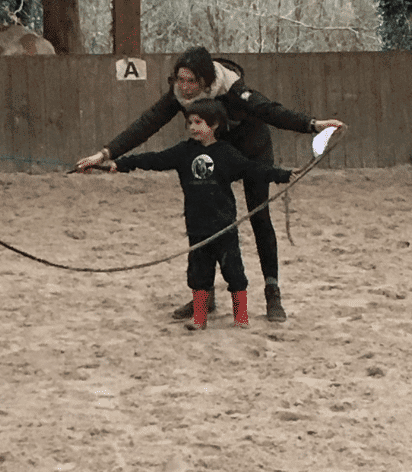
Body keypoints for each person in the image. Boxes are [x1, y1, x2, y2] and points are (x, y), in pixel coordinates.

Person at [76, 46, 345, 322]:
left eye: (191, 81)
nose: (184, 87)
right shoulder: (180, 94)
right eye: (180, 80)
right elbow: (147, 123)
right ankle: (206, 295)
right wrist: (106, 153)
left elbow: (269, 110)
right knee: (206, 217)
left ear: (205, 80)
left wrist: (312, 125)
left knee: (260, 217)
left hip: (252, 149)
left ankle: (272, 293)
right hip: (213, 148)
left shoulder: (232, 89)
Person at [111, 98, 292, 330]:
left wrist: (284, 175)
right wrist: (120, 164)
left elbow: (254, 170)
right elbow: (153, 159)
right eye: (190, 122)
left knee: (235, 273)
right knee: (199, 275)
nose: (193, 127)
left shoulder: (227, 153)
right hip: (197, 227)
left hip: (224, 227)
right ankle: (199, 318)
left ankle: (241, 316)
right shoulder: (183, 152)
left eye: (199, 122)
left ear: (215, 125)